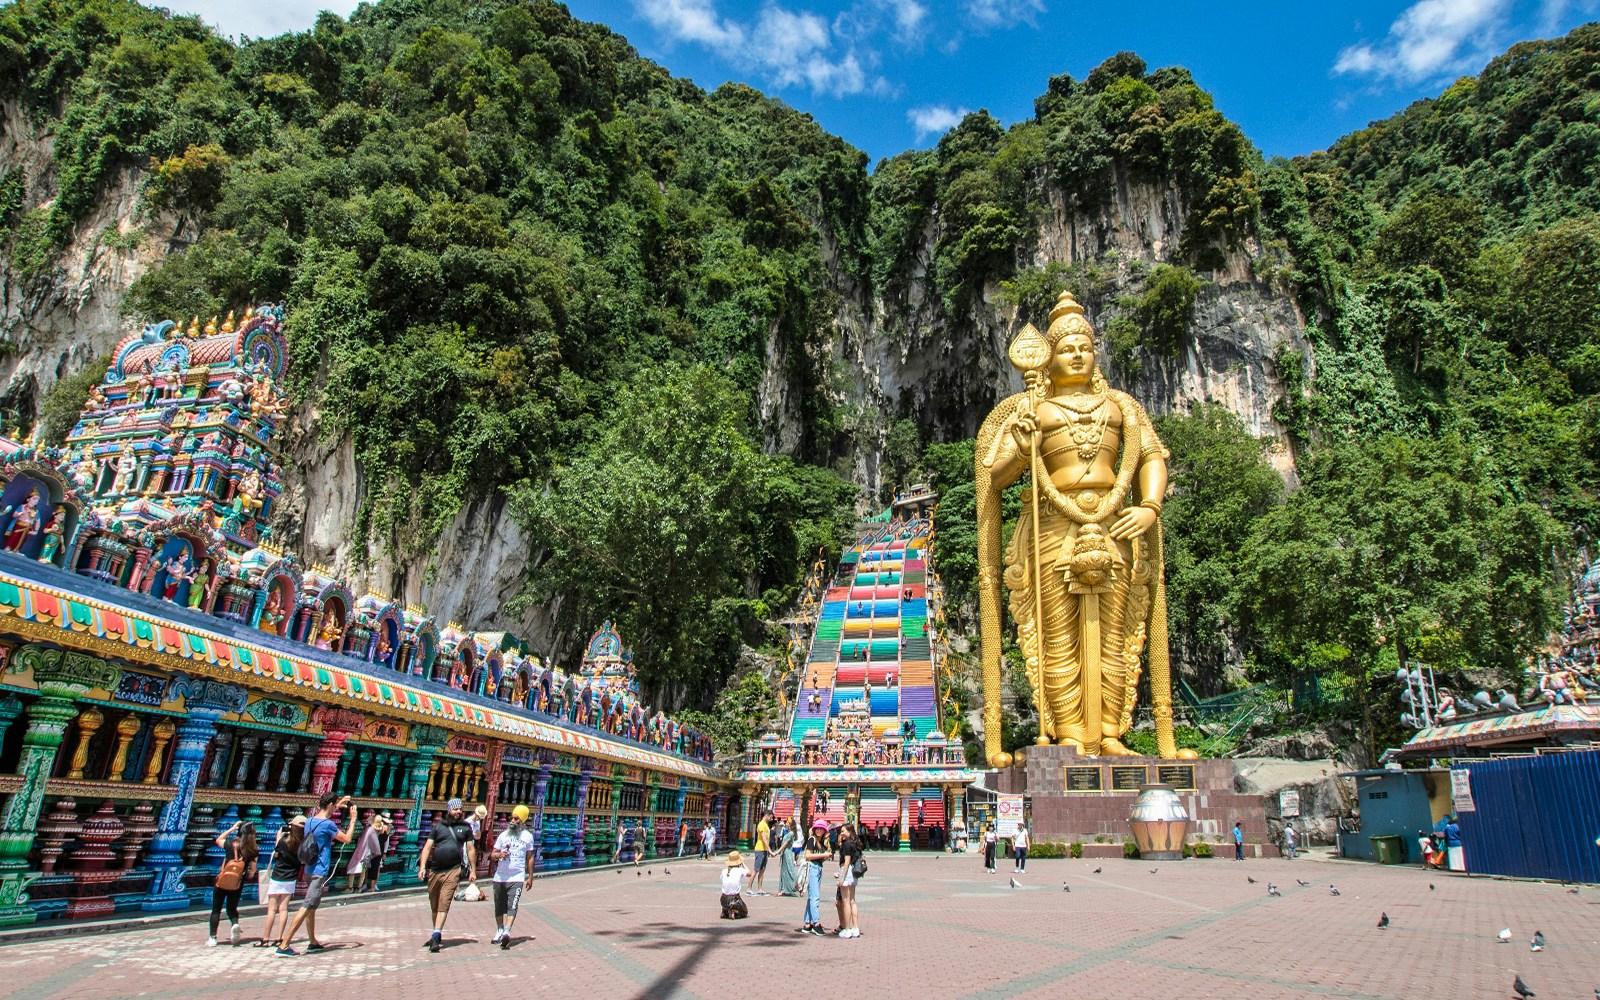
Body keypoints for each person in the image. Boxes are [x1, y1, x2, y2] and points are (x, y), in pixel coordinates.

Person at [976, 292, 1180, 763]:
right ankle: (1068, 731)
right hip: (1052, 526)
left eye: (1085, 346)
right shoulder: (1034, 410)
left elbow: (1151, 456)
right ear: (1049, 357)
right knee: (1057, 634)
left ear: (1096, 352)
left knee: (1115, 631)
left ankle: (1110, 731)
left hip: (1115, 523)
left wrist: (1148, 505)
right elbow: (997, 476)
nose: (1077, 354)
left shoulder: (1122, 407)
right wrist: (1022, 446)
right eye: (1067, 347)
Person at [276, 793, 357, 957]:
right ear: (330, 806)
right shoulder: (328, 825)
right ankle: (284, 945)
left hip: (308, 868)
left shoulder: (310, 820)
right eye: (334, 805)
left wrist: (338, 804)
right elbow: (347, 839)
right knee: (307, 905)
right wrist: (353, 819)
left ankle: (312, 941)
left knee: (312, 906)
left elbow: (325, 815)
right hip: (319, 869)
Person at [418, 797, 477, 954]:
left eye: (460, 809)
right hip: (435, 870)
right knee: (434, 902)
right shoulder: (438, 827)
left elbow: (471, 849)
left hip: (453, 869)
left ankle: (436, 933)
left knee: (445, 901)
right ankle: (435, 932)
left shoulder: (465, 828)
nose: (458, 812)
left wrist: (473, 870)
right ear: (449, 810)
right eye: (455, 809)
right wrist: (423, 866)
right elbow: (427, 847)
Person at [489, 804, 536, 950]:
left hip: (516, 877)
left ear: (522, 821)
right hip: (500, 877)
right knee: (499, 906)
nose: (512, 821)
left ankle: (507, 932)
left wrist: (530, 876)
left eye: (516, 819)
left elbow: (530, 857)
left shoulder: (528, 837)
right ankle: (500, 929)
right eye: (512, 818)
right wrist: (498, 855)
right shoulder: (504, 836)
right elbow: (492, 854)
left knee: (512, 905)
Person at [207, 819, 257, 946]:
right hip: (237, 883)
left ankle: (213, 937)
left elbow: (218, 840)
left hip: (222, 881)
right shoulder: (253, 849)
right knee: (232, 908)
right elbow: (252, 871)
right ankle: (234, 924)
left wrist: (231, 828)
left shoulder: (230, 844)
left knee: (216, 909)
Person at [259, 815, 303, 948]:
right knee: (283, 909)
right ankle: (279, 938)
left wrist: (278, 839)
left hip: (277, 876)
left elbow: (276, 855)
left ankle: (266, 938)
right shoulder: (302, 843)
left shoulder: (283, 842)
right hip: (290, 878)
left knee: (272, 909)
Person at [797, 819, 830, 935]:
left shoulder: (821, 842)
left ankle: (807, 924)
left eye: (822, 829)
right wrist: (823, 854)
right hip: (812, 868)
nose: (819, 830)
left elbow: (823, 857)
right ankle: (816, 923)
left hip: (818, 868)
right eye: (818, 828)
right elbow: (808, 855)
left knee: (812, 896)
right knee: (815, 896)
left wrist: (826, 851)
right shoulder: (812, 840)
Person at [835, 823, 863, 938]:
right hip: (854, 873)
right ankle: (855, 928)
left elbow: (846, 862)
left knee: (846, 902)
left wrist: (842, 877)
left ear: (850, 832)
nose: (842, 833)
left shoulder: (847, 844)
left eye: (843, 831)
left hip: (847, 872)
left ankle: (847, 929)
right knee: (852, 901)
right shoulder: (856, 844)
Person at [345, 812, 384, 893]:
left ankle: (350, 887)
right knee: (362, 871)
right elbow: (376, 846)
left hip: (362, 852)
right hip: (367, 853)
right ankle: (358, 888)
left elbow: (363, 841)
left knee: (354, 869)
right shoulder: (373, 831)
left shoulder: (369, 830)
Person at [720, 850, 750, 919]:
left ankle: (725, 910)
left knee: (726, 899)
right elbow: (749, 873)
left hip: (723, 899)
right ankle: (733, 911)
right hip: (734, 899)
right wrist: (743, 863)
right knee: (744, 912)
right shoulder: (740, 870)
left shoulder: (724, 871)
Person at [777, 817, 800, 896]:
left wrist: (777, 852)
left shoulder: (791, 833)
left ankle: (796, 885)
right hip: (785, 853)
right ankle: (784, 889)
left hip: (787, 853)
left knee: (790, 870)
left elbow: (785, 844)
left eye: (787, 822)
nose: (786, 823)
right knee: (784, 871)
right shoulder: (789, 832)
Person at [751, 811, 772, 895]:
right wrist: (769, 849)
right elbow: (763, 839)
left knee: (762, 870)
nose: (771, 819)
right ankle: (749, 888)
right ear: (766, 816)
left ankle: (760, 888)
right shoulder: (761, 824)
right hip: (760, 849)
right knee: (756, 869)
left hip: (765, 850)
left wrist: (768, 850)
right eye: (770, 817)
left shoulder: (766, 825)